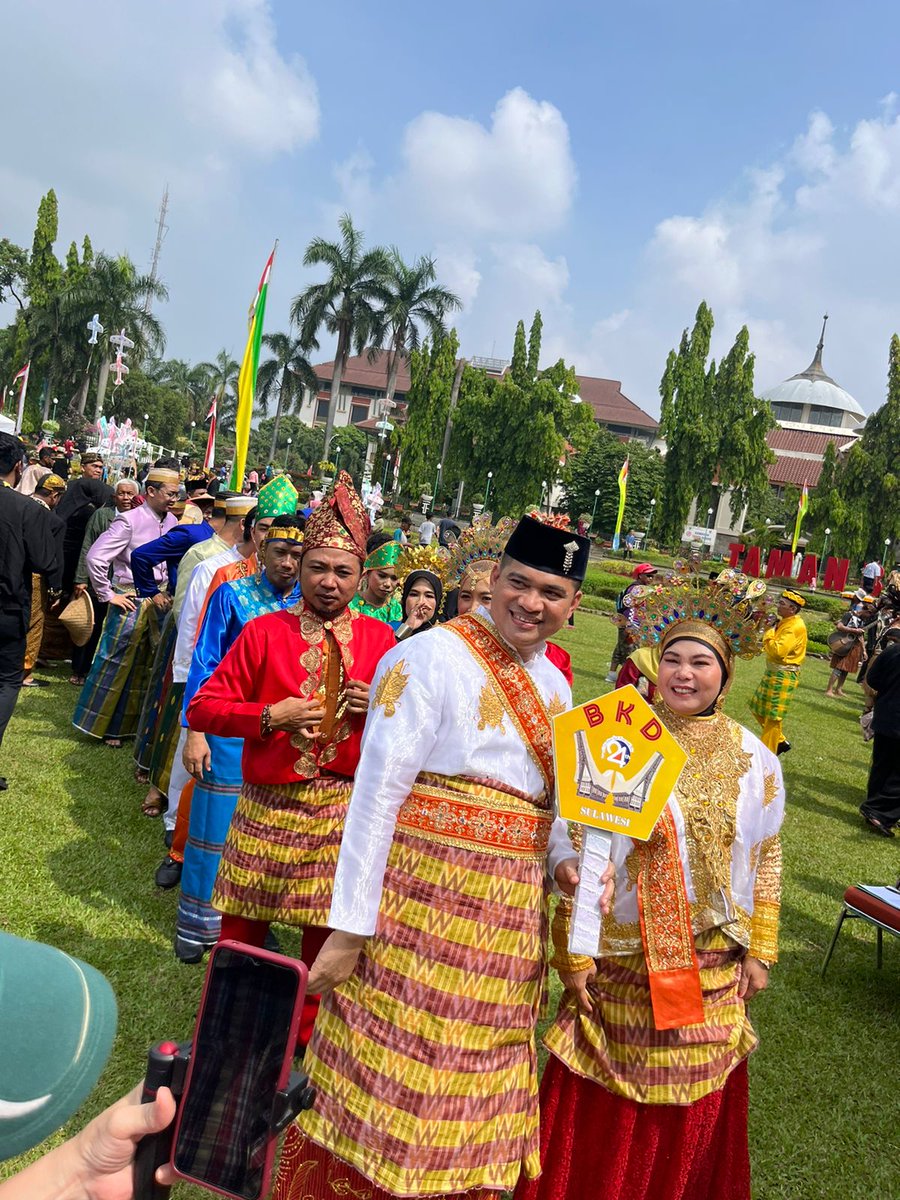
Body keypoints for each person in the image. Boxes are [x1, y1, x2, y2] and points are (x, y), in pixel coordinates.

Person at [272, 514, 599, 1200]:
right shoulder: (426, 657)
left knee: (471, 1079)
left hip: (509, 921)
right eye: (518, 583)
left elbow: (553, 808)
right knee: (390, 1068)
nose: (530, 603)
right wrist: (351, 925)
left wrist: (565, 860)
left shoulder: (560, 690)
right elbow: (375, 796)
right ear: (492, 582)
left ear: (572, 609)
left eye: (550, 592)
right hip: (415, 905)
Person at [517, 570, 785, 1200]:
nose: (684, 675)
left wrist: (762, 950)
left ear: (726, 674)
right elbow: (575, 836)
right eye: (672, 660)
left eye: (701, 662)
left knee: (686, 1118)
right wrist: (575, 950)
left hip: (711, 965)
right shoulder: (619, 737)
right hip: (618, 962)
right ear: (653, 664)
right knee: (601, 1115)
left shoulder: (756, 759)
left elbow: (767, 854)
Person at [186, 471, 396, 1045]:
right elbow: (205, 705)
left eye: (343, 571)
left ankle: (307, 1039)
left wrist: (375, 706)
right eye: (317, 568)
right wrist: (266, 717)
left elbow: (409, 732)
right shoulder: (263, 633)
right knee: (241, 931)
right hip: (266, 801)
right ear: (297, 569)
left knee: (322, 932)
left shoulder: (383, 643)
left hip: (338, 805)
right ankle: (229, 1024)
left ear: (361, 576)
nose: (329, 582)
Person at [169, 515, 304, 959]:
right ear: (260, 551)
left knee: (263, 836)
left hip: (278, 740)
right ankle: (196, 927)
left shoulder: (307, 608)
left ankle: (249, 925)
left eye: (297, 555)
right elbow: (205, 666)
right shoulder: (232, 595)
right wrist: (196, 732)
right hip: (228, 730)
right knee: (213, 829)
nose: (287, 562)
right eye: (280, 552)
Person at [72, 466, 179, 747]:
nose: (173, 499)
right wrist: (108, 595)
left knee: (145, 664)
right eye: (169, 493)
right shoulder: (129, 521)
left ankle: (126, 728)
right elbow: (96, 557)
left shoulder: (171, 523)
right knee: (117, 662)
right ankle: (99, 725)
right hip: (129, 598)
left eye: (177, 494)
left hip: (157, 601)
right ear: (152, 491)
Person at [0, 434, 58, 790]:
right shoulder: (26, 510)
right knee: (6, 682)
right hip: (7, 607)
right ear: (19, 467)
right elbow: (44, 560)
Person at [69, 479, 139, 685]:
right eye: (122, 493)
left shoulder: (142, 518)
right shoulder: (101, 516)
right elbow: (87, 547)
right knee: (92, 624)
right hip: (99, 580)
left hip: (126, 583)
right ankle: (79, 669)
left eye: (130, 494)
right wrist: (81, 578)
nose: (126, 498)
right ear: (114, 496)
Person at [749, 588, 808, 754]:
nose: (777, 606)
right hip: (773, 673)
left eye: (782, 604)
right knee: (757, 707)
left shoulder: (794, 626)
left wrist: (768, 633)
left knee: (773, 717)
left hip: (783, 675)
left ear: (792, 609)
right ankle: (780, 742)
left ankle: (767, 753)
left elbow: (777, 651)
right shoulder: (786, 621)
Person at [21, 473, 67, 689]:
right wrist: (56, 589)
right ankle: (25, 673)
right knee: (34, 623)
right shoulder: (54, 521)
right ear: (55, 496)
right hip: (35, 578)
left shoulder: (16, 505)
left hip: (9, 572)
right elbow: (54, 557)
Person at [859, 626, 900, 837]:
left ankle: (873, 809)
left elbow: (872, 679)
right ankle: (878, 812)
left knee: (882, 765)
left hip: (885, 715)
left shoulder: (892, 651)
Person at [55, 453, 113, 595]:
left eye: (100, 467)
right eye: (94, 466)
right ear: (82, 468)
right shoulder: (70, 488)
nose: (98, 470)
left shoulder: (103, 492)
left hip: (88, 544)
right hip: (67, 542)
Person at [393, 546, 451, 641]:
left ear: (438, 602)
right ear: (404, 598)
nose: (420, 602)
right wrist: (407, 628)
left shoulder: (445, 638)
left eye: (429, 596)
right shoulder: (388, 631)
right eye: (414, 594)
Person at [825, 596, 874, 697]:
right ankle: (829, 689)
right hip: (844, 643)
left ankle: (839, 689)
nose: (869, 616)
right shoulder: (849, 614)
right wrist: (854, 630)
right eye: (869, 613)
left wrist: (864, 651)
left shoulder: (863, 621)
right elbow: (839, 626)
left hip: (853, 646)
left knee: (846, 669)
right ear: (865, 610)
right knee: (838, 668)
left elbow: (860, 636)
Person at [349, 534, 403, 626]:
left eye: (394, 578)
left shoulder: (395, 609)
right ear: (367, 573)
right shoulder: (351, 605)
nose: (387, 584)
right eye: (382, 576)